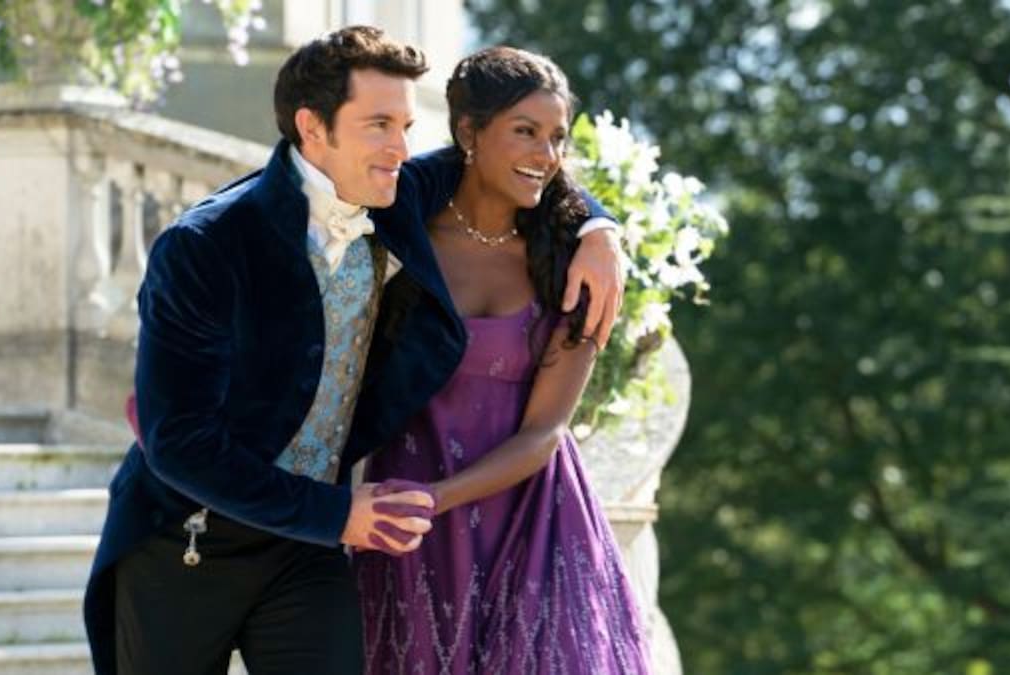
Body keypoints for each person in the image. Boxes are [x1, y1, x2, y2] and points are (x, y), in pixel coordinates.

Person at [85, 27, 625, 675]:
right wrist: (337, 514)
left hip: (308, 553)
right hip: (188, 537)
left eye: (405, 125)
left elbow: (507, 162)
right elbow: (178, 442)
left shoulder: (394, 194)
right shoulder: (204, 245)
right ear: (313, 128)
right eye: (379, 125)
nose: (402, 148)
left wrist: (600, 229)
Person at [353, 46, 651, 674]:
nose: (546, 154)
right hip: (410, 522)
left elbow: (546, 432)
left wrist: (437, 498)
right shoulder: (399, 232)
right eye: (525, 132)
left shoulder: (571, 262)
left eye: (557, 137)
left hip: (533, 519)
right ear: (468, 132)